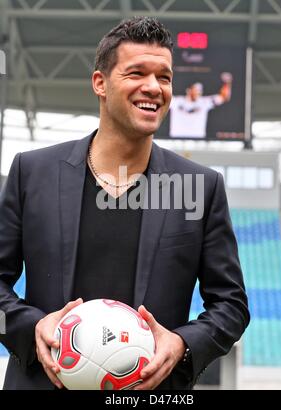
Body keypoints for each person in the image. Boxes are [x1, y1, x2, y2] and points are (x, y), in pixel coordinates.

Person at [0, 17, 249, 390]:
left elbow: (231, 306)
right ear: (100, 83)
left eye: (164, 77)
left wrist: (182, 344)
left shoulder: (199, 186)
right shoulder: (32, 172)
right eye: (136, 73)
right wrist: (32, 327)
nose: (153, 87)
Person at [169, 73, 233, 138]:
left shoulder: (205, 102)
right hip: (176, 140)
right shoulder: (176, 101)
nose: (198, 92)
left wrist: (227, 82)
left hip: (198, 141)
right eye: (196, 89)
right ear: (188, 90)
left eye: (200, 90)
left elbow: (224, 97)